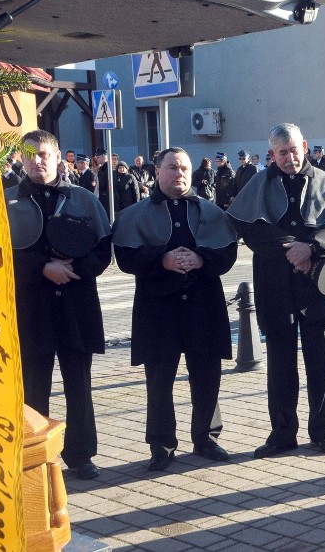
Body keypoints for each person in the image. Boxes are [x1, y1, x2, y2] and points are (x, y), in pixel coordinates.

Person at [227, 122, 325, 458]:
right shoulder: (258, 183)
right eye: (282, 153)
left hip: (318, 282)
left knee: (321, 363)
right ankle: (282, 434)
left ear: (304, 146)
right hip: (275, 285)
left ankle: (324, 433)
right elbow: (247, 228)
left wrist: (310, 247)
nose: (289, 158)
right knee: (280, 365)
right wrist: (289, 248)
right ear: (273, 153)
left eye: (294, 151)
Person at [112, 147, 238, 471]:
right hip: (158, 308)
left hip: (202, 305)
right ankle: (161, 443)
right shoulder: (136, 214)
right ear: (157, 171)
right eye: (172, 168)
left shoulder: (210, 211)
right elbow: (126, 257)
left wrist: (199, 260)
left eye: (184, 168)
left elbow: (227, 254)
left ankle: (206, 437)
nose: (179, 174)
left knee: (207, 375)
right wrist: (162, 261)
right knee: (158, 380)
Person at [5, 129, 112, 480]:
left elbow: (102, 250)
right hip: (31, 307)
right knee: (33, 386)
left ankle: (81, 455)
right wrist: (42, 268)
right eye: (30, 154)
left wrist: (72, 270)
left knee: (78, 384)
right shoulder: (5, 202)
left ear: (58, 156)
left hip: (75, 306)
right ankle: (34, 456)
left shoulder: (83, 199)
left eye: (44, 154)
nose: (38, 160)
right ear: (21, 158)